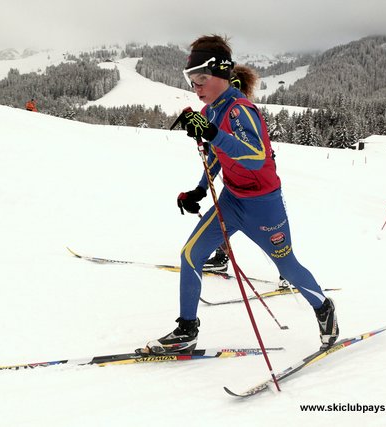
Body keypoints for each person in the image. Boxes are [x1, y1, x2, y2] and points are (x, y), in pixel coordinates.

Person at [143, 35, 338, 355]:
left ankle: (323, 307)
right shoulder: (211, 112)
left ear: (222, 74)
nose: (197, 87)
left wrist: (212, 134)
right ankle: (186, 332)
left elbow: (255, 155)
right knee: (190, 254)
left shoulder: (240, 110)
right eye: (192, 81)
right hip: (232, 202)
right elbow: (218, 156)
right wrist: (199, 190)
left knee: (288, 267)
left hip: (264, 206)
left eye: (202, 79)